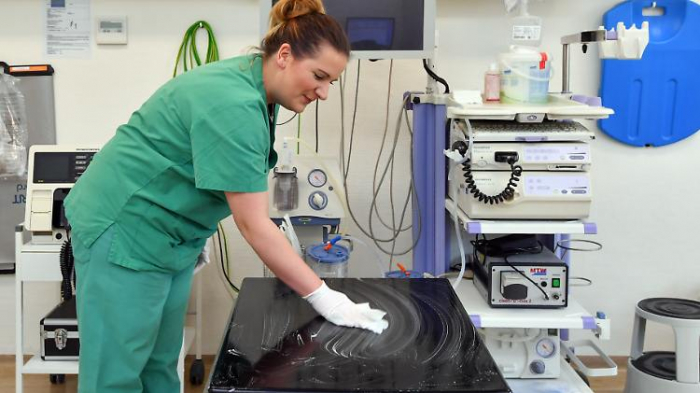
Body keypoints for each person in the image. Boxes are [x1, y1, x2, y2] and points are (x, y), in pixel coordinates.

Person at [64, 0, 388, 391]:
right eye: (318, 76)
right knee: (113, 376)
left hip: (170, 236)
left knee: (159, 364)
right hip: (123, 229)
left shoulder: (253, 86)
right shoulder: (232, 103)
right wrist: (324, 296)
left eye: (331, 82)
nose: (323, 92)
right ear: (284, 55)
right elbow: (253, 225)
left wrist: (191, 229)